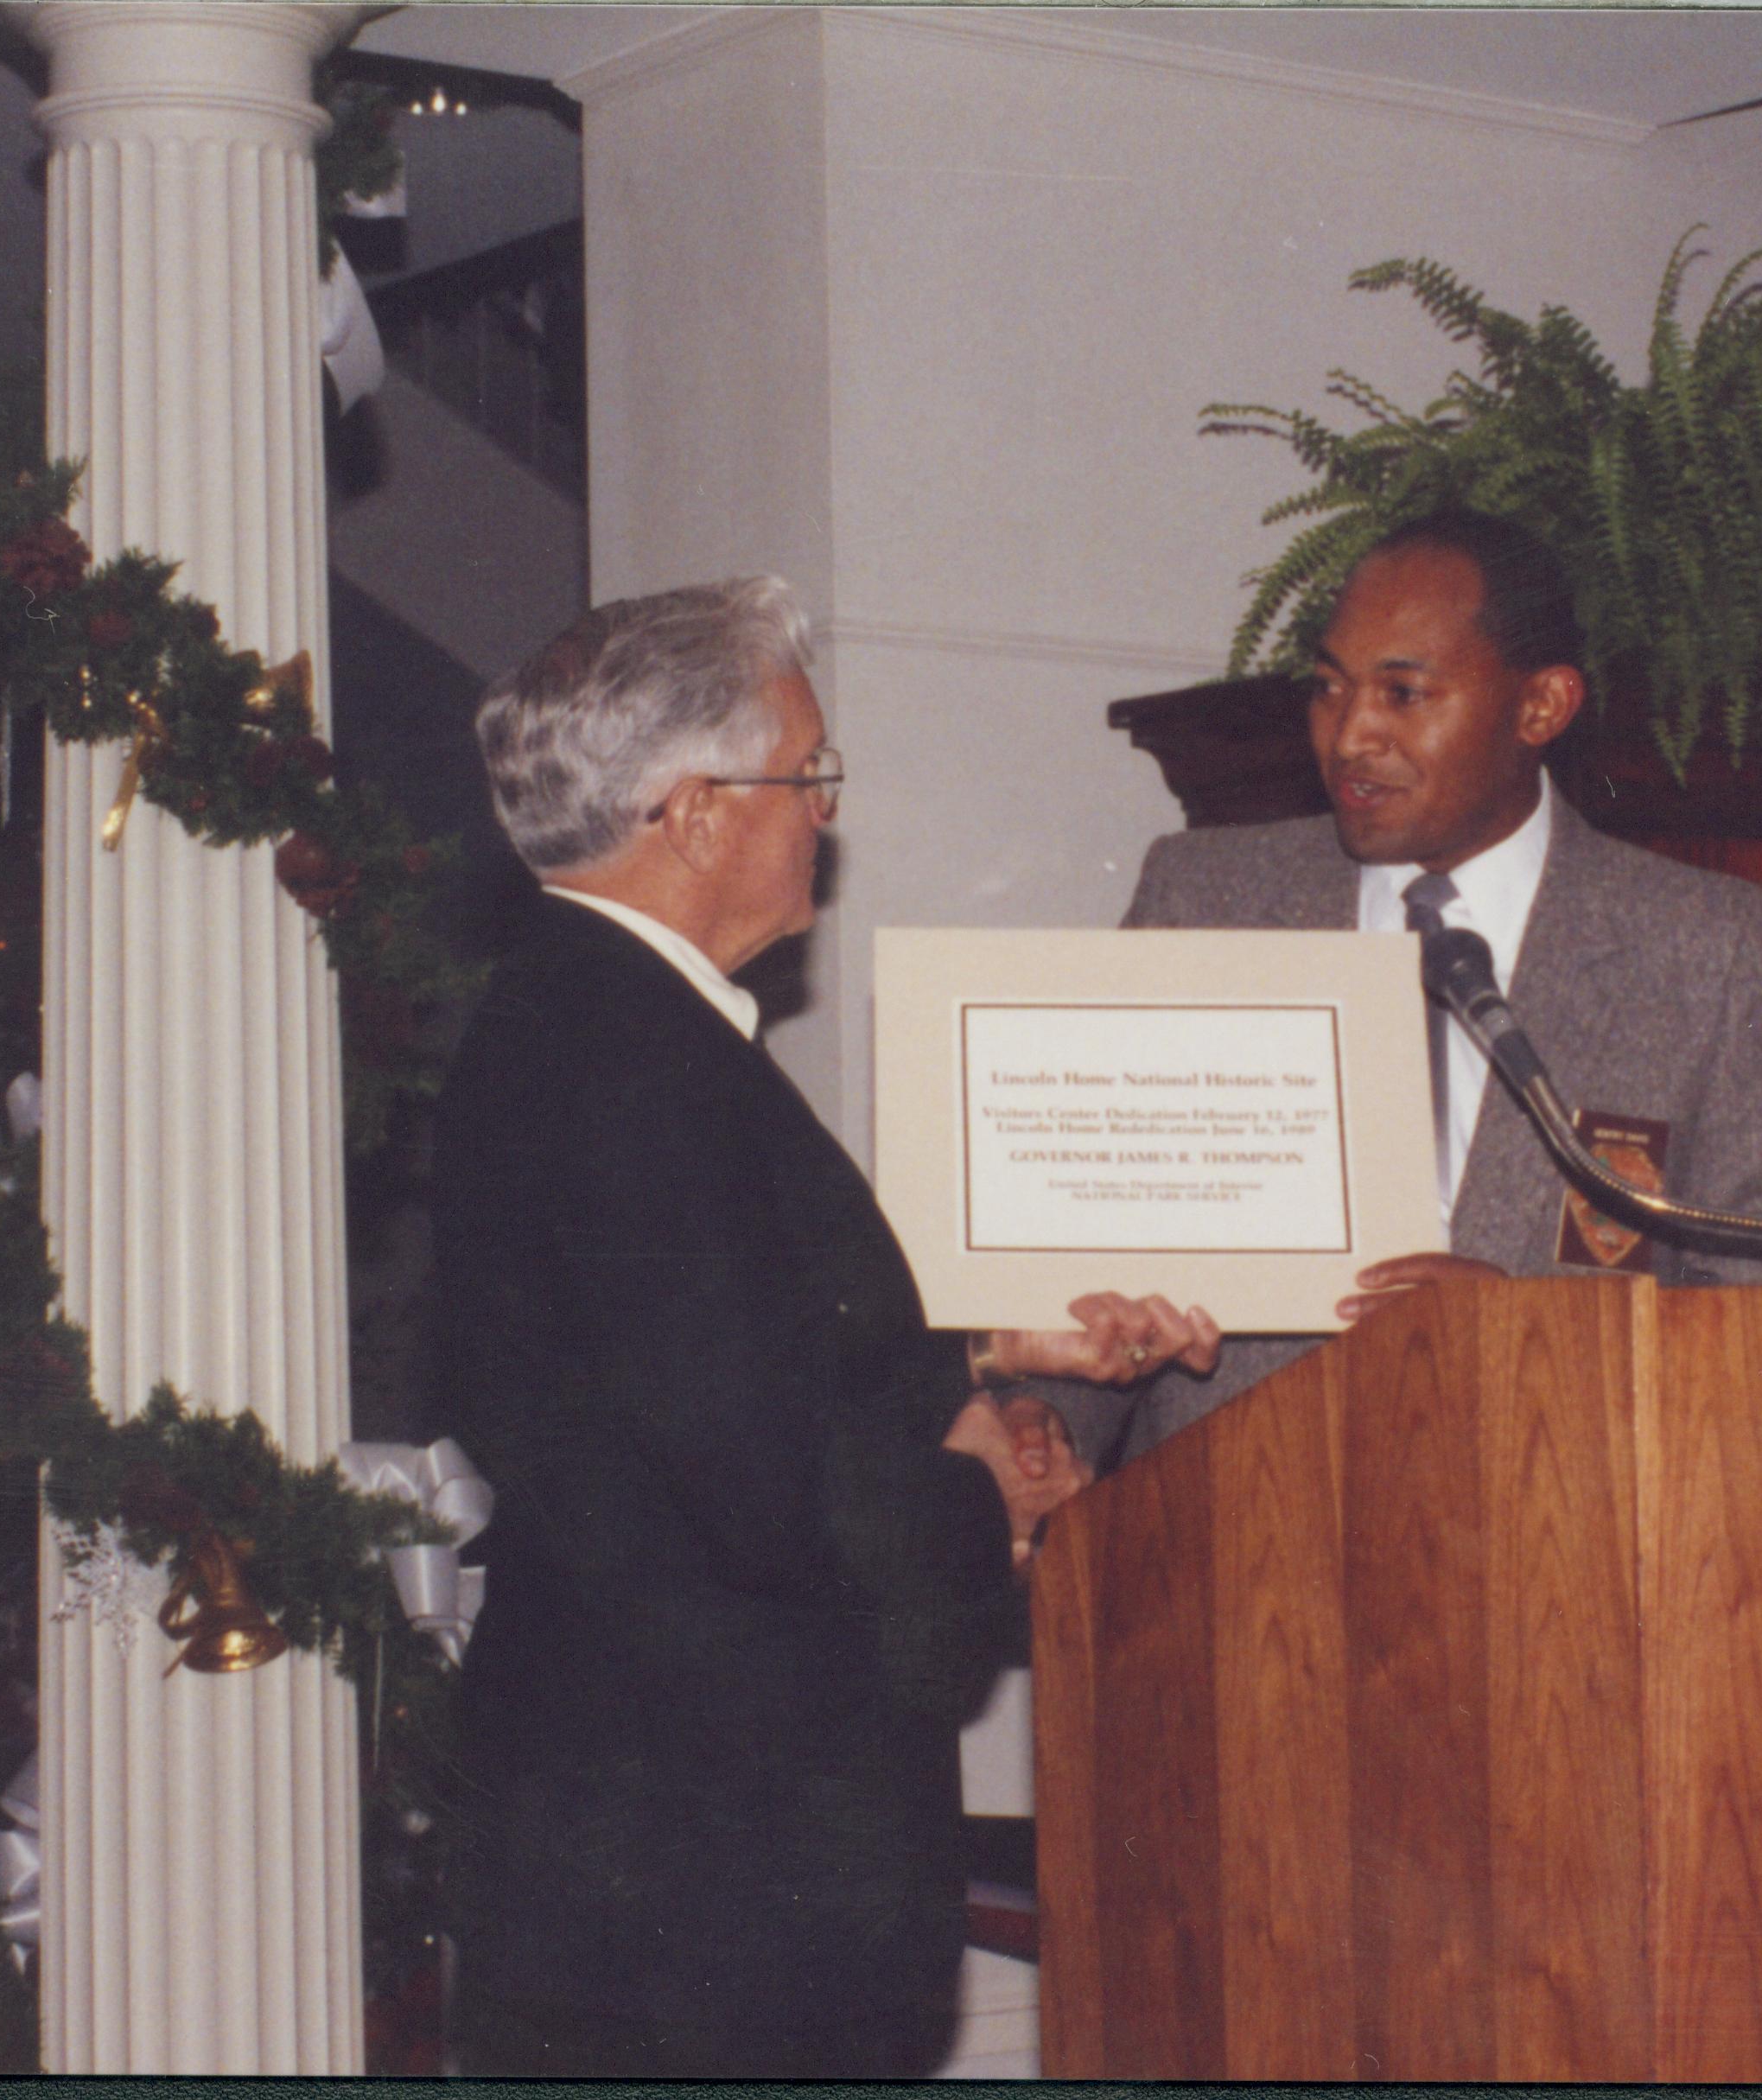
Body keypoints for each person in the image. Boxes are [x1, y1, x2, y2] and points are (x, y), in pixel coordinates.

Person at [426, 579, 1213, 2078]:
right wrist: (994, 1490)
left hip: (653, 1865)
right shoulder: (633, 1065)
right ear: (700, 810)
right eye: (809, 775)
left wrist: (983, 1365)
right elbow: (765, 1492)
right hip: (704, 1892)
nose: (823, 816)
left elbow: (702, 1362)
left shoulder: (583, 1025)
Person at [1053, 511, 1762, 1467]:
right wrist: (1043, 1426)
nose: (1351, 735)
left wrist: (1530, 1331)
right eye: (1329, 689)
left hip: (1557, 1537)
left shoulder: (1702, 946)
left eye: (1403, 692)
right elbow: (1087, 1245)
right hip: (1240, 1539)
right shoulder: (1203, 897)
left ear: (1541, 707)